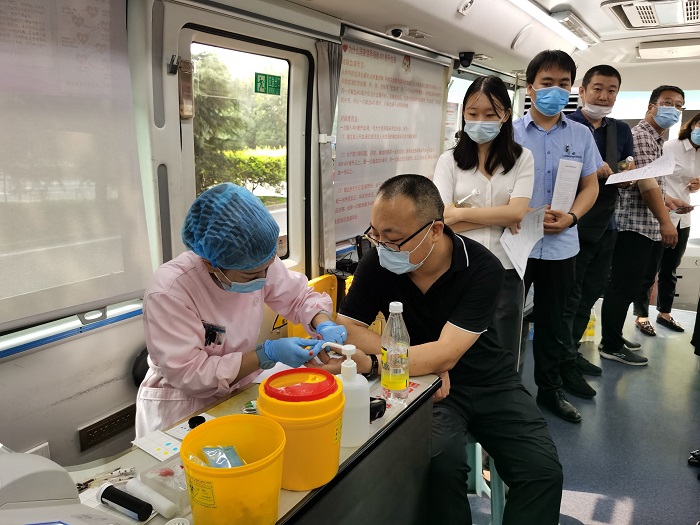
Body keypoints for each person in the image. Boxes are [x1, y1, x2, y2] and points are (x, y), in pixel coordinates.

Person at [315, 175, 563, 525]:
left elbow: (447, 353)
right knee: (437, 467)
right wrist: (423, 363)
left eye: (394, 239)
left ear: (434, 230)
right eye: (375, 234)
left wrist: (377, 363)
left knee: (542, 473)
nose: (382, 246)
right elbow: (349, 327)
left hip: (490, 380)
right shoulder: (378, 263)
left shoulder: (481, 267)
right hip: (420, 386)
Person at [135, 183, 346, 437]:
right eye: (251, 276)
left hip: (240, 386)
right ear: (210, 264)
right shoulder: (170, 292)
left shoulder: (256, 260)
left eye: (267, 268)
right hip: (183, 405)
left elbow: (298, 296)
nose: (264, 278)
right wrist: (266, 353)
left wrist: (323, 322)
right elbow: (190, 374)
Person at [513, 50, 601, 423]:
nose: (555, 90)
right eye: (547, 83)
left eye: (563, 84)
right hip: (515, 244)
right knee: (507, 321)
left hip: (562, 247)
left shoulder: (581, 134)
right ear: (531, 87)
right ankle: (505, 393)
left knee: (554, 324)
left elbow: (590, 185)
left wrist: (572, 217)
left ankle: (550, 390)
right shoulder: (509, 133)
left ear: (572, 89)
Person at [433, 75, 534, 370]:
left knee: (504, 348)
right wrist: (500, 216)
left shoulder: (522, 158)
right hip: (459, 266)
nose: (480, 121)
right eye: (473, 113)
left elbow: (516, 214)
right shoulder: (448, 161)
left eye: (490, 114)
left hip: (506, 268)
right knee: (457, 349)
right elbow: (441, 221)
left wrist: (461, 214)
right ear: (463, 114)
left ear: (505, 115)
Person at [558, 64, 637, 400]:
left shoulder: (621, 130)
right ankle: (561, 364)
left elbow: (627, 166)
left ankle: (571, 352)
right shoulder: (565, 125)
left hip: (607, 225)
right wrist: (590, 170)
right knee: (568, 297)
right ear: (582, 91)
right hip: (572, 224)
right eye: (598, 88)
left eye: (611, 90)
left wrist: (628, 174)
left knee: (590, 295)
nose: (604, 96)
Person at [600, 85, 686, 364]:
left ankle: (614, 335)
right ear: (651, 107)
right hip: (633, 226)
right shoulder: (641, 137)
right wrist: (666, 222)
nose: (674, 109)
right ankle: (610, 344)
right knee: (622, 285)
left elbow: (653, 182)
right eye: (668, 103)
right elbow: (645, 186)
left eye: (679, 105)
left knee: (631, 284)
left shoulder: (656, 139)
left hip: (644, 226)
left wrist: (670, 200)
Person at [637, 113, 700, 333]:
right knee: (649, 269)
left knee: (670, 269)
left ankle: (665, 313)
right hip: (661, 215)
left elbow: (691, 182)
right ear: (693, 124)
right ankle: (641, 315)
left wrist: (696, 185)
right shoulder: (670, 146)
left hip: (684, 217)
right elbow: (653, 178)